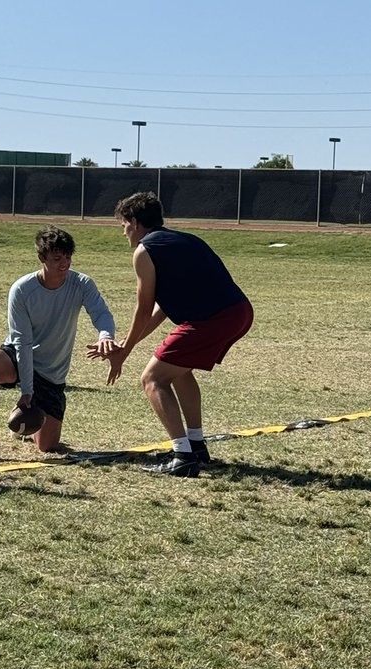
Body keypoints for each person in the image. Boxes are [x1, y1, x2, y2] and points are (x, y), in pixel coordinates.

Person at [90, 192, 253, 477]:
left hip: (213, 319)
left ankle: (183, 457)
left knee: (152, 379)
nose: (123, 231)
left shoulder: (144, 251)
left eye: (123, 224)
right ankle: (196, 446)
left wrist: (124, 352)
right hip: (239, 312)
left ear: (135, 222)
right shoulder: (184, 240)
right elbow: (161, 309)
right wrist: (126, 346)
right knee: (177, 372)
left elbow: (142, 310)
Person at [0, 226, 116, 464]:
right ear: (42, 258)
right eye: (57, 258)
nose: (64, 263)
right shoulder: (22, 290)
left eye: (68, 257)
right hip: (20, 356)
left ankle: (21, 421)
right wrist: (27, 390)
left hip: (52, 374)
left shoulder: (82, 283)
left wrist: (105, 336)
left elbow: (101, 314)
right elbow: (23, 344)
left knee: (47, 446)